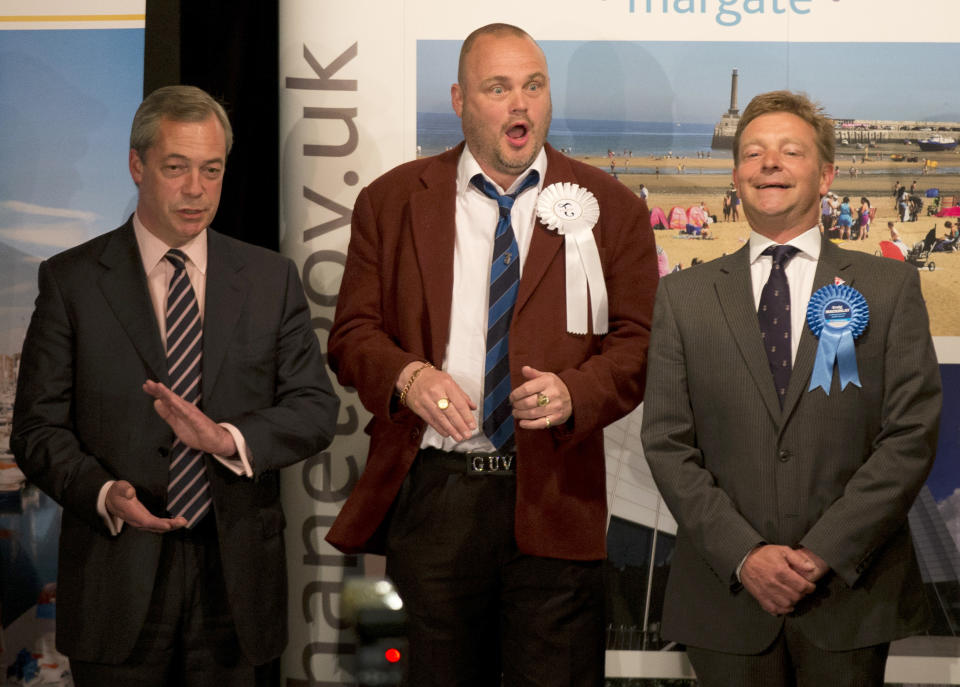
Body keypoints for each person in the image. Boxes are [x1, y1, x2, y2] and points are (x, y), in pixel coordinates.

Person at [324, 23, 657, 687]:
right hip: (436, 497)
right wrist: (408, 376)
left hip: (558, 492)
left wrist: (577, 392)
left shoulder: (612, 208)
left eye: (534, 86)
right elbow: (352, 335)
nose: (521, 105)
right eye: (498, 87)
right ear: (460, 99)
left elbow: (640, 343)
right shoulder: (391, 202)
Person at [11, 85, 340, 687]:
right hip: (117, 578)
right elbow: (36, 429)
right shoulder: (72, 281)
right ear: (136, 165)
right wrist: (104, 491)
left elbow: (315, 407)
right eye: (176, 168)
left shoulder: (270, 278)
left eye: (211, 170)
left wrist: (228, 439)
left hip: (235, 585)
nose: (196, 189)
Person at [641, 91, 941, 687]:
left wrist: (823, 552)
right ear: (736, 175)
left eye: (790, 151)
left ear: (826, 174)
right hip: (725, 598)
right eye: (752, 153)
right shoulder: (683, 297)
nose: (768, 163)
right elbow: (667, 443)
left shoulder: (888, 288)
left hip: (848, 597)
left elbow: (910, 434)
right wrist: (745, 555)